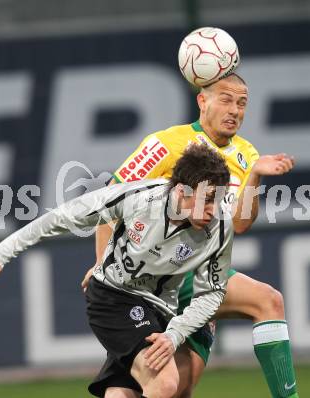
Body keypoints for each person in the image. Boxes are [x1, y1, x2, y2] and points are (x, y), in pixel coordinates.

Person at [0, 144, 234, 398]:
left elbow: (212, 292)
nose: (213, 209)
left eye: (217, 199)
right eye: (207, 199)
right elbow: (61, 217)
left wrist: (175, 333)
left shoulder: (219, 227)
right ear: (181, 190)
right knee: (166, 383)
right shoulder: (139, 198)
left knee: (122, 393)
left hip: (160, 310)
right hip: (113, 296)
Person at [82, 73, 298, 398]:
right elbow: (109, 201)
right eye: (225, 99)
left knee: (178, 385)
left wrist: (255, 175)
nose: (235, 110)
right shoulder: (166, 143)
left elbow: (240, 223)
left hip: (200, 274)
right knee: (268, 301)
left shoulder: (246, 154)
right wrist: (102, 262)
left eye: (242, 103)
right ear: (202, 101)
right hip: (155, 274)